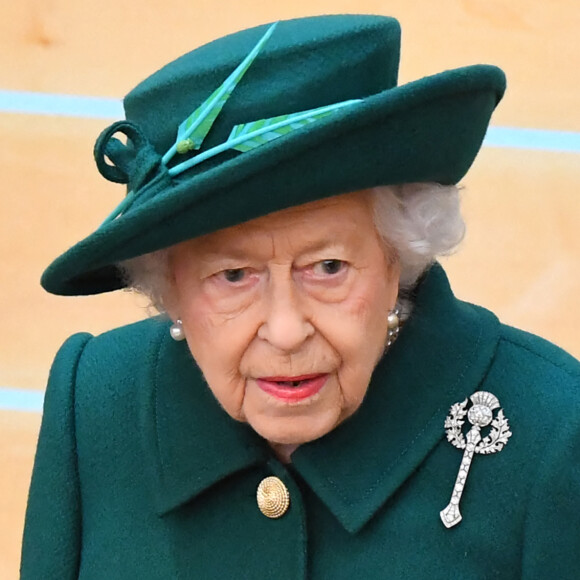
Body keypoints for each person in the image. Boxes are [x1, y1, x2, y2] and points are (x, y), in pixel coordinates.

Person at [21, 14, 580, 579]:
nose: (286, 331)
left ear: (400, 258)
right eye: (234, 276)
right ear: (170, 288)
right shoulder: (97, 399)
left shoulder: (553, 430)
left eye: (328, 267)